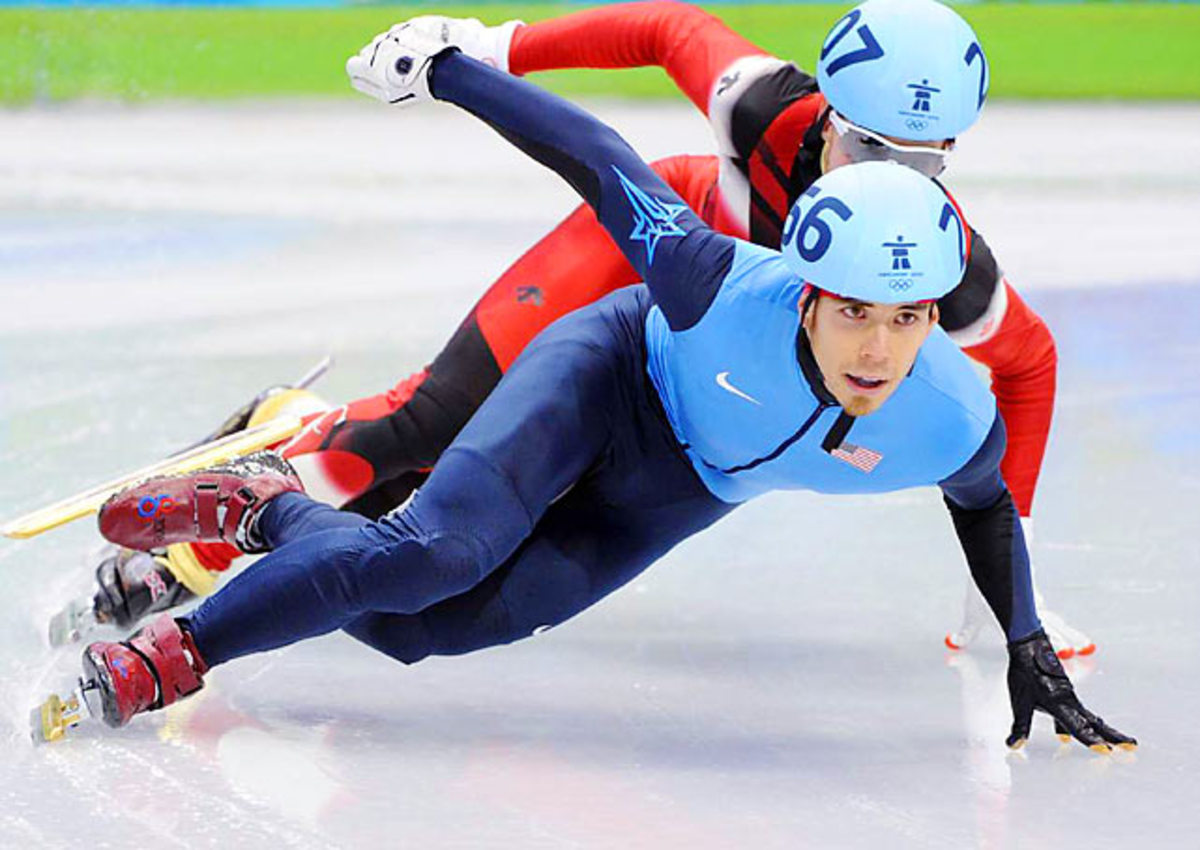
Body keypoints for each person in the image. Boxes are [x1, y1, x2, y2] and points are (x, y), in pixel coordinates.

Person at [75, 23, 1134, 754]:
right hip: (620, 366)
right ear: (809, 291)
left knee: (420, 626)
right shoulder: (718, 273)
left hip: (685, 482)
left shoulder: (950, 406)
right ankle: (174, 655)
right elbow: (596, 153)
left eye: (906, 320)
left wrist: (1025, 639)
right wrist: (456, 66)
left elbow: (987, 496)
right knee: (430, 527)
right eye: (853, 309)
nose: (876, 348)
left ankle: (272, 512)